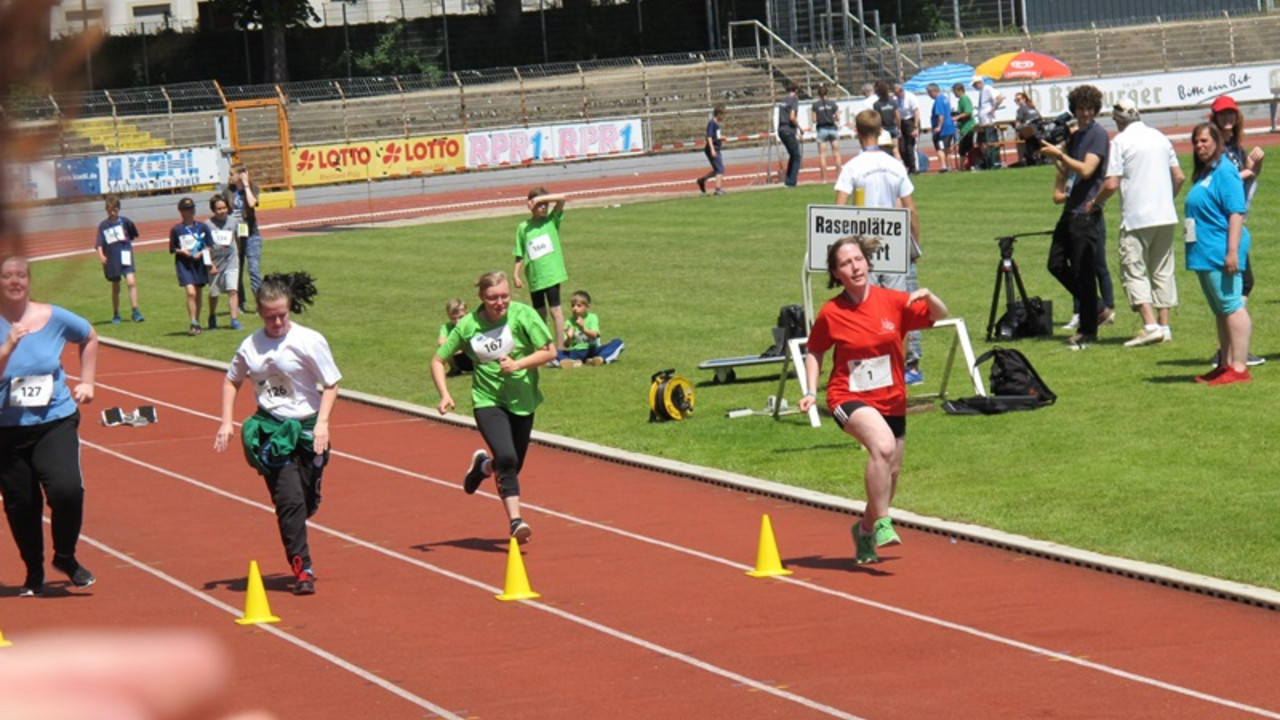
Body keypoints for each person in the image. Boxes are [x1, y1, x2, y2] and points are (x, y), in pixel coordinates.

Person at [797, 236, 947, 565]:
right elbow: (815, 350)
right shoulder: (831, 312)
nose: (855, 267)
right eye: (846, 263)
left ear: (867, 263)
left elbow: (938, 314)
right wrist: (810, 392)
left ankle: (864, 531)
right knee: (882, 446)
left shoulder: (893, 301)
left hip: (892, 399)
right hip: (847, 396)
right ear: (836, 274)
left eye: (858, 260)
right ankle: (882, 524)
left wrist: (929, 296)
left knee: (889, 475)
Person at [214, 271, 341, 595]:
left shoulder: (309, 340)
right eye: (270, 317)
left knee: (307, 500)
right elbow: (232, 380)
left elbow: (331, 384)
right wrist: (227, 421)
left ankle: (310, 493)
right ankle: (303, 567)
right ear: (259, 313)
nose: (278, 322)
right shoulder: (250, 346)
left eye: (283, 315)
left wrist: (323, 423)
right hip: (271, 430)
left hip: (309, 427)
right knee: (289, 501)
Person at [431, 271, 556, 543]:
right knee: (508, 460)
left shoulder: (523, 316)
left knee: (511, 465)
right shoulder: (468, 325)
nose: (499, 303)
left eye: (504, 296)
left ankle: (484, 467)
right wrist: (445, 394)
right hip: (488, 401)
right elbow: (438, 360)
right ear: (481, 298)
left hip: (523, 401)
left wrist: (518, 364)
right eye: (492, 298)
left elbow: (550, 351)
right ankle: (516, 521)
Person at [0, 255, 98, 596]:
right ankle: (33, 568)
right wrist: (9, 344)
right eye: (7, 276)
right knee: (21, 504)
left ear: (29, 280)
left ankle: (65, 556)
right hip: (6, 430)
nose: (14, 281)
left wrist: (87, 381)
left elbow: (89, 336)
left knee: (67, 490)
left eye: (20, 276)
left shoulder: (53, 317)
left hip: (54, 419)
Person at [833, 110, 926, 384]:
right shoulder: (895, 165)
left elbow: (839, 209)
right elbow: (911, 210)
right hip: (895, 241)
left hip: (864, 246)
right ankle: (906, 368)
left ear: (857, 133)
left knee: (865, 306)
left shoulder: (852, 167)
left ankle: (874, 369)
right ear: (881, 131)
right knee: (901, 307)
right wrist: (914, 246)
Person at [1090, 99, 1185, 347]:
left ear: (1118, 120)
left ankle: (1149, 324)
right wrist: (1165, 198)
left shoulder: (1120, 141)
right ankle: (1164, 325)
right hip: (1165, 214)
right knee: (1162, 270)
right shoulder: (1160, 137)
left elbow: (1111, 183)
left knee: (1133, 269)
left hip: (1136, 217)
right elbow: (1179, 176)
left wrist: (1095, 203)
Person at [1040, 84, 1110, 349]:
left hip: (1086, 211)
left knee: (1084, 270)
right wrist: (1053, 156)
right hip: (1071, 208)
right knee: (1055, 263)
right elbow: (1070, 172)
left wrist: (1060, 154)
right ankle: (1098, 307)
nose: (1085, 113)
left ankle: (1088, 329)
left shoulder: (1096, 135)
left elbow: (1086, 170)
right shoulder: (1077, 135)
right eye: (1081, 108)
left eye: (1090, 108)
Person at [1185, 123, 1254, 385]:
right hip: (1205, 251)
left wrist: (1232, 251)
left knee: (1231, 306)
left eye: (1204, 141)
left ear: (1217, 141)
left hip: (1220, 249)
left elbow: (1236, 211)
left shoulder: (1225, 171)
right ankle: (1224, 363)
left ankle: (1239, 367)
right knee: (1220, 309)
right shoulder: (1207, 172)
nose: (1200, 146)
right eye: (1196, 142)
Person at [1209, 94, 1266, 366]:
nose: (1228, 119)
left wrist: (1256, 166)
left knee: (1240, 284)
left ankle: (1229, 349)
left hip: (1235, 218)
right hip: (1224, 221)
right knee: (1237, 285)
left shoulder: (1234, 146)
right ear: (1215, 118)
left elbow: (1247, 177)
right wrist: (1247, 170)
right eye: (1223, 115)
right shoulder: (1216, 147)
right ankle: (1229, 351)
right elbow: (1223, 179)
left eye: (1231, 114)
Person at [513, 186, 569, 359]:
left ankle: (560, 351)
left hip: (552, 274)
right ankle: (545, 349)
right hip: (535, 277)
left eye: (545, 204)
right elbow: (520, 253)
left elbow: (563, 197)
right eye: (539, 205)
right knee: (540, 314)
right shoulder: (523, 228)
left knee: (556, 311)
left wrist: (540, 199)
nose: (543, 207)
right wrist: (516, 274)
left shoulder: (551, 221)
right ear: (529, 205)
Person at [93, 194, 144, 324]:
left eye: (115, 209)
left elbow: (133, 235)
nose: (112, 211)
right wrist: (101, 255)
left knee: (131, 282)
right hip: (112, 259)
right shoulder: (103, 225)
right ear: (106, 209)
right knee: (116, 286)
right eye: (110, 209)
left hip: (125, 257)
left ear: (118, 208)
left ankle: (135, 311)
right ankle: (116, 313)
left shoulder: (125, 222)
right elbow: (99, 243)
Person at [168, 197, 213, 337]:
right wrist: (182, 251)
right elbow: (172, 248)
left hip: (198, 264)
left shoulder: (202, 227)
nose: (190, 212)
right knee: (191, 292)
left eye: (192, 209)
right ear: (181, 212)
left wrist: (201, 252)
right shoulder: (176, 229)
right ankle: (193, 321)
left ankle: (197, 321)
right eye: (187, 209)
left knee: (198, 293)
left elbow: (210, 245)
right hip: (184, 264)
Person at [223, 164, 261, 313]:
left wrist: (245, 185)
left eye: (232, 174)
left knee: (254, 270)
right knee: (236, 270)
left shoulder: (252, 188)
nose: (229, 177)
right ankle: (239, 303)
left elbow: (252, 203)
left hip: (251, 235)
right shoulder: (227, 192)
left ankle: (260, 303)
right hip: (235, 237)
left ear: (241, 175)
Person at [204, 194, 243, 331]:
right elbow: (204, 248)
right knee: (214, 293)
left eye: (224, 208)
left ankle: (234, 319)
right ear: (213, 210)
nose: (222, 211)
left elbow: (239, 238)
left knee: (232, 290)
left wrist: (239, 254)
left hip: (231, 261)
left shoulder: (234, 222)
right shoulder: (207, 225)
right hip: (215, 264)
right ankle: (212, 316)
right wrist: (210, 265)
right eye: (219, 209)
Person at [556, 290, 625, 367]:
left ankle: (599, 359)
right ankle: (573, 362)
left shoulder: (592, 318)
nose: (575, 308)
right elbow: (566, 345)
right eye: (573, 305)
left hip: (593, 350)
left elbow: (595, 335)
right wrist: (569, 338)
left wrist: (583, 329)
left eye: (578, 306)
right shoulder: (569, 322)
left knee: (618, 342)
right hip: (576, 352)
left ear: (587, 307)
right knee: (554, 352)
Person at [972, 76, 1004, 169]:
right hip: (983, 123)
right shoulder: (982, 91)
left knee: (991, 142)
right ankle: (988, 161)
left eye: (975, 85)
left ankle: (994, 162)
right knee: (982, 143)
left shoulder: (987, 88)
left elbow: (1000, 97)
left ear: (979, 83)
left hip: (988, 123)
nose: (974, 87)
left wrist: (994, 108)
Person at [811, 85, 842, 182]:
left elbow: (814, 120)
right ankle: (839, 177)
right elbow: (838, 118)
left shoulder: (815, 105)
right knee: (836, 154)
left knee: (822, 155)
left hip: (822, 129)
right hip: (832, 128)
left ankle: (824, 179)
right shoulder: (833, 103)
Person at [439, 298, 475, 376]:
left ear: (467, 313)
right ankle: (455, 369)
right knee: (443, 347)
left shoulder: (473, 324)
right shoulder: (446, 327)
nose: (458, 321)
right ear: (449, 316)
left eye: (461, 317)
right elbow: (441, 342)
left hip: (475, 358)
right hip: (459, 357)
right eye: (453, 318)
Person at [696, 105, 727, 196]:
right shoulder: (712, 123)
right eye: (723, 115)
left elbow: (715, 137)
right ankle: (717, 189)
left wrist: (721, 138)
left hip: (717, 148)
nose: (723, 117)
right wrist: (712, 149)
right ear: (718, 114)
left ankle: (702, 180)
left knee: (716, 170)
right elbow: (709, 137)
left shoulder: (717, 124)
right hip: (712, 149)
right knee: (720, 169)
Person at [776, 83, 802, 186]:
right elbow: (792, 117)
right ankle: (791, 181)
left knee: (793, 154)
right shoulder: (794, 100)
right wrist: (800, 129)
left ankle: (788, 179)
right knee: (796, 156)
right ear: (795, 91)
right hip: (788, 129)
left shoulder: (783, 100)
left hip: (781, 129)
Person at [927, 83, 956, 173]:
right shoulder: (945, 98)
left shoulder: (939, 100)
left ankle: (943, 166)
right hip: (949, 128)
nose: (929, 95)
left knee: (940, 148)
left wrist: (939, 126)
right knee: (947, 148)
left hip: (942, 130)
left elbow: (941, 115)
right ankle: (949, 165)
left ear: (933, 91)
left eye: (929, 93)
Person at [894, 82, 921, 173]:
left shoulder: (910, 97)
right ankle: (907, 166)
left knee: (910, 146)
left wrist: (915, 127)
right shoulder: (896, 99)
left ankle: (914, 167)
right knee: (902, 147)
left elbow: (916, 112)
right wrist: (898, 127)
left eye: (897, 93)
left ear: (901, 91)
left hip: (910, 121)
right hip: (901, 122)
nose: (896, 95)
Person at [1012, 92, 1043, 167]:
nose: (1017, 102)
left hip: (1031, 132)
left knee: (1031, 149)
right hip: (1036, 132)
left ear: (1024, 99)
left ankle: (1032, 160)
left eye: (1018, 99)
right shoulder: (1032, 108)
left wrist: (1017, 129)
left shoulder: (1022, 109)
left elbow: (1018, 123)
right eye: (1016, 100)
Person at [952, 82, 977, 170]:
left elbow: (968, 112)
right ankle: (964, 165)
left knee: (965, 148)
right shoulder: (961, 100)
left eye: (954, 91)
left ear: (959, 91)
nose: (954, 94)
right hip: (963, 128)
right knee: (964, 148)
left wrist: (957, 117)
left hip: (968, 128)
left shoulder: (964, 99)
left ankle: (967, 165)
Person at [871, 81, 899, 153]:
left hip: (883, 129)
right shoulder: (893, 101)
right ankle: (898, 163)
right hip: (893, 127)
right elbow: (897, 116)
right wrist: (899, 127)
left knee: (884, 152)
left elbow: (878, 118)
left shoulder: (876, 104)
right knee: (895, 150)